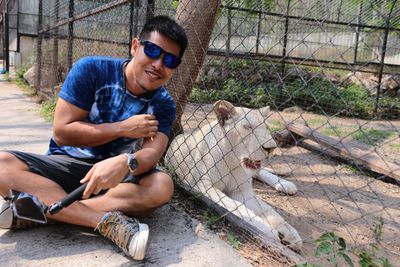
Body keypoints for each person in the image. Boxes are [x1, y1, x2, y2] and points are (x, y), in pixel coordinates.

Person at [0, 15, 188, 261]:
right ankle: (103, 221)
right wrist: (122, 128)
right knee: (2, 166)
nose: (158, 64)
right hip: (67, 164)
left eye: (170, 60)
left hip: (116, 179)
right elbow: (62, 131)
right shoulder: (92, 69)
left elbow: (152, 154)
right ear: (135, 46)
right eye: (152, 50)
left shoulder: (163, 104)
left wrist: (125, 163)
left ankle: (43, 211)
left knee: (162, 187)